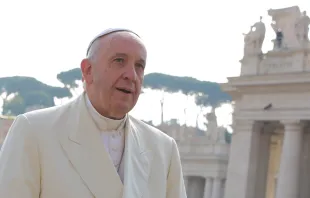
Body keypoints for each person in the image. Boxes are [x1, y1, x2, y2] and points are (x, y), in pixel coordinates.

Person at [0, 28, 187, 198]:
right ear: (88, 71)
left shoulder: (164, 149)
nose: (131, 75)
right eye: (119, 61)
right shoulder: (34, 132)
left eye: (139, 65)